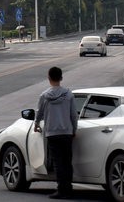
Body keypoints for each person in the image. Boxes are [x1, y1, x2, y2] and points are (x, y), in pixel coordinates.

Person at [34, 66, 77, 199]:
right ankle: (69, 189)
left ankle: (61, 190)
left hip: (52, 133)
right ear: (61, 78)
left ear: (49, 78)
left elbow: (39, 113)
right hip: (67, 132)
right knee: (67, 162)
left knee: (58, 163)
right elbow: (73, 115)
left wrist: (36, 124)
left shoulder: (45, 96)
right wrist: (74, 129)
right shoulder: (68, 94)